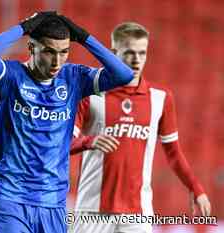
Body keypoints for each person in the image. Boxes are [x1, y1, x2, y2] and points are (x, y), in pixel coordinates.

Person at [0, 11, 133, 233]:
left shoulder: (73, 78)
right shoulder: (10, 76)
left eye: (64, 52)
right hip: (10, 196)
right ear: (31, 48)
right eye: (49, 52)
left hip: (53, 200)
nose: (57, 61)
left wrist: (84, 37)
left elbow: (124, 74)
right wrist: (24, 27)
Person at [70, 22, 211, 233]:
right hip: (91, 209)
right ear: (113, 53)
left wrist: (196, 188)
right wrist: (89, 141)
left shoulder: (161, 98)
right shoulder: (91, 94)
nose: (136, 59)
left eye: (142, 53)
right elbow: (63, 144)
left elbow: (173, 153)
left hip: (138, 212)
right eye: (129, 53)